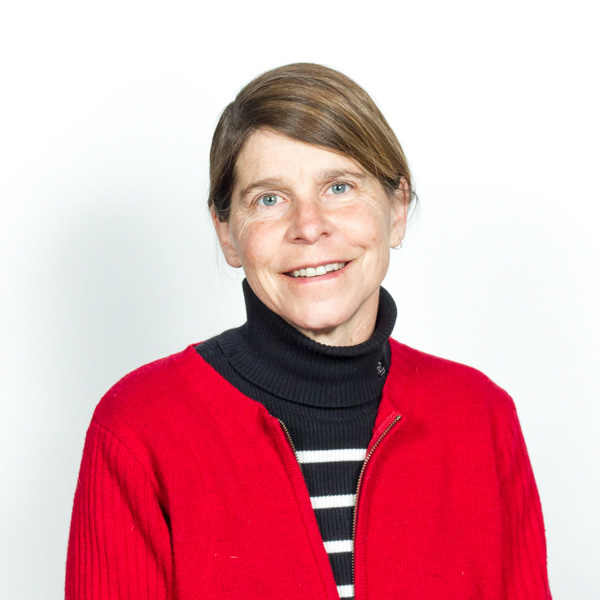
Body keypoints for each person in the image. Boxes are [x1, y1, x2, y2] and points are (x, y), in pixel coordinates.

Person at [66, 63, 552, 599]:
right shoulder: (139, 428)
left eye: (339, 187)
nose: (309, 226)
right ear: (227, 233)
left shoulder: (480, 417)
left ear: (396, 209)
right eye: (268, 199)